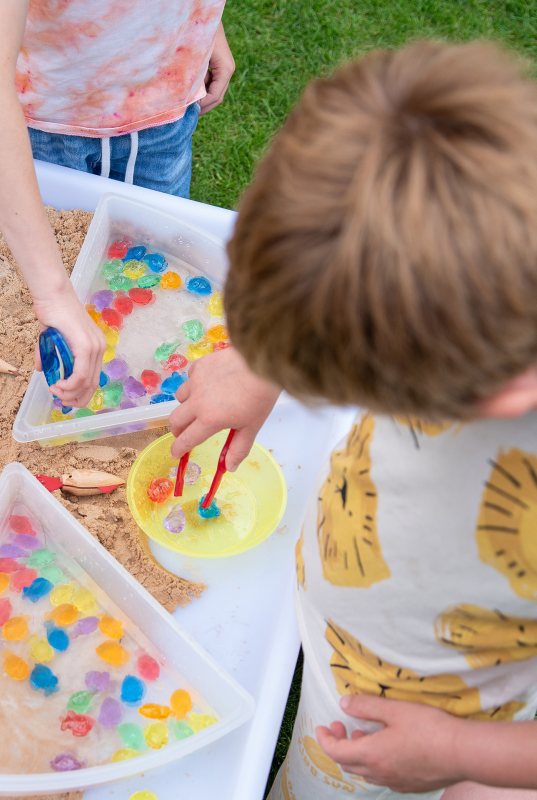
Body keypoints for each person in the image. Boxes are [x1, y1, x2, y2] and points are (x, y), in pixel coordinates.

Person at [170, 40, 537, 799]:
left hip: (438, 725)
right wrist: (266, 363)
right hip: (358, 657)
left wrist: (470, 755)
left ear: (499, 395)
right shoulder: (480, 293)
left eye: (365, 389)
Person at [0, 0, 234, 408]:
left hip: (165, 112)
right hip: (43, 124)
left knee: (154, 257)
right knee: (37, 265)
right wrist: (52, 296)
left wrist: (205, 28)